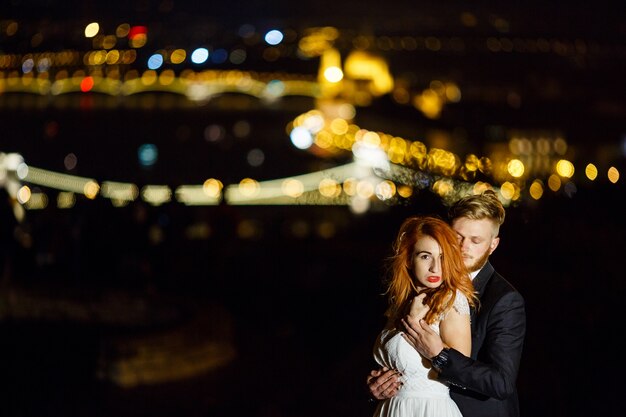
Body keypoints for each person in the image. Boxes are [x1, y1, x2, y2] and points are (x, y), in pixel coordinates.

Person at [367, 189, 526, 417]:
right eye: (457, 236)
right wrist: (379, 386)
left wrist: (440, 354)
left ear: (493, 245)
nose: (463, 247)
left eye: (476, 240)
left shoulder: (504, 299)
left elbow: (501, 383)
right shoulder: (419, 287)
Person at [371, 215, 478, 417]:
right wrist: (376, 381)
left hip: (429, 410)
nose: (435, 268)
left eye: (442, 257)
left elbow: (463, 373)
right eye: (425, 256)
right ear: (409, 259)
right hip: (391, 409)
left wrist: (421, 332)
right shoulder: (399, 304)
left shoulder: (451, 300)